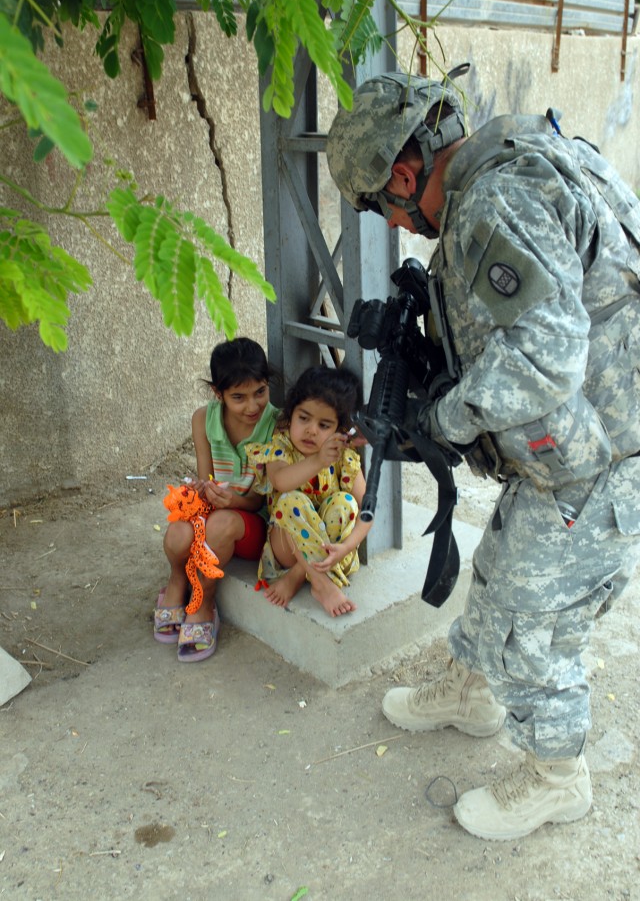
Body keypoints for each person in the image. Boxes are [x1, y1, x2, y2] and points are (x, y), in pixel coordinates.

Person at [326, 69, 640, 839]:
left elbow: (547, 356)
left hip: (605, 452)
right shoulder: (517, 153)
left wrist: (450, 414)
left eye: (382, 209)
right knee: (498, 567)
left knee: (535, 620)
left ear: (405, 173)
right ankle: (473, 692)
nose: (396, 227)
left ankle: (556, 777)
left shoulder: (490, 204)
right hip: (578, 436)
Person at [155, 337, 280, 662]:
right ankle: (177, 579)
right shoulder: (203, 419)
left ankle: (204, 602)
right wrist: (201, 490)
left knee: (221, 523)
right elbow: (207, 478)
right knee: (178, 530)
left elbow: (259, 501)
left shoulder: (276, 425)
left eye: (260, 392)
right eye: (239, 397)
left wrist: (231, 502)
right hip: (215, 513)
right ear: (218, 393)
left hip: (251, 523)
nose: (252, 406)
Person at [246, 365, 371, 617]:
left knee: (345, 501)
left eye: (324, 425)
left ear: (339, 430)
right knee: (292, 500)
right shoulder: (280, 447)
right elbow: (280, 481)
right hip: (285, 549)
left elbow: (369, 508)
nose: (311, 430)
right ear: (290, 416)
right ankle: (321, 584)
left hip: (332, 556)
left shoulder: (343, 456)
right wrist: (317, 462)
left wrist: (347, 548)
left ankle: (299, 576)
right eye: (304, 418)